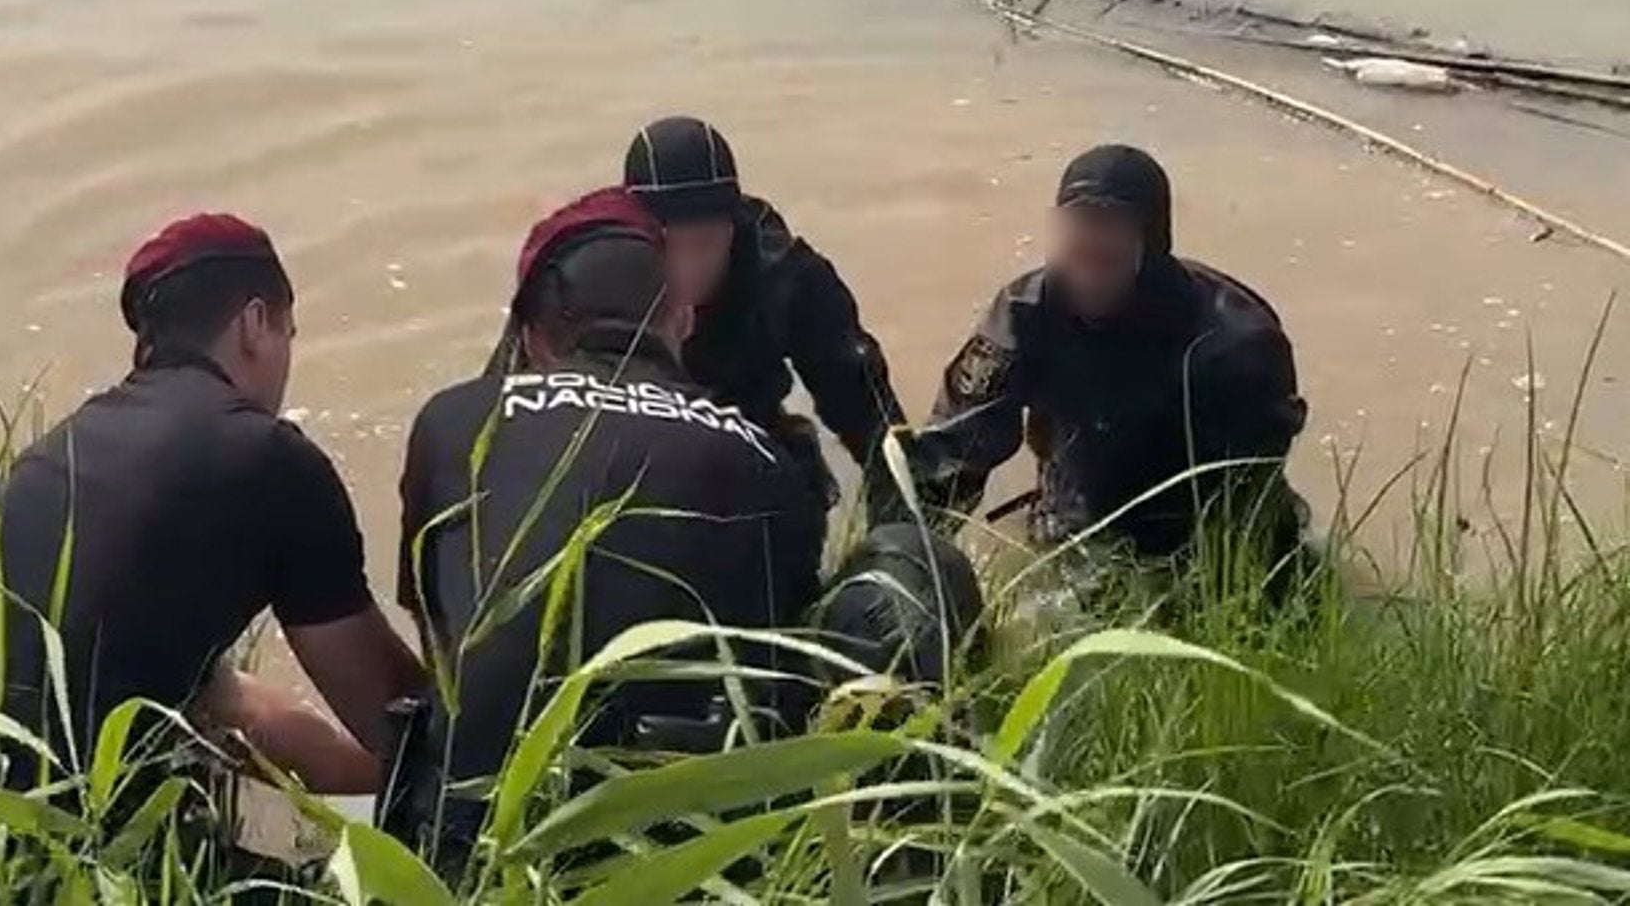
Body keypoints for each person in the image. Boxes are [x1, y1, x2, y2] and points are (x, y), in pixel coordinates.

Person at [0, 214, 424, 799]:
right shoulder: (270, 459)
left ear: (148, 343)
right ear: (254, 324)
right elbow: (398, 719)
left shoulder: (62, 450)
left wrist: (369, 779)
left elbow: (229, 706)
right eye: (287, 335)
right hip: (39, 831)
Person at [388, 187, 826, 868]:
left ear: (532, 337)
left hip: (469, 846)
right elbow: (780, 658)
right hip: (685, 857)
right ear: (682, 317)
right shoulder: (765, 457)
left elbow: (440, 627)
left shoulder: (452, 421)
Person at [906, 144, 1309, 571]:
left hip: (1201, 535)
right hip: (1074, 526)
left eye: (1106, 260)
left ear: (1151, 252)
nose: (1087, 279)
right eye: (1076, 255)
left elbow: (1248, 500)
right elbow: (949, 461)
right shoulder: (1026, 314)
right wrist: (902, 556)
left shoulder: (1235, 344)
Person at [493, 116, 906, 518]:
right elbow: (503, 404)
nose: (689, 268)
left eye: (706, 243)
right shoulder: (588, 267)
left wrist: (903, 525)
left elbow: (874, 426)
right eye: (672, 245)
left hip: (744, 437)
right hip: (623, 435)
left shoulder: (786, 277)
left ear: (733, 225)